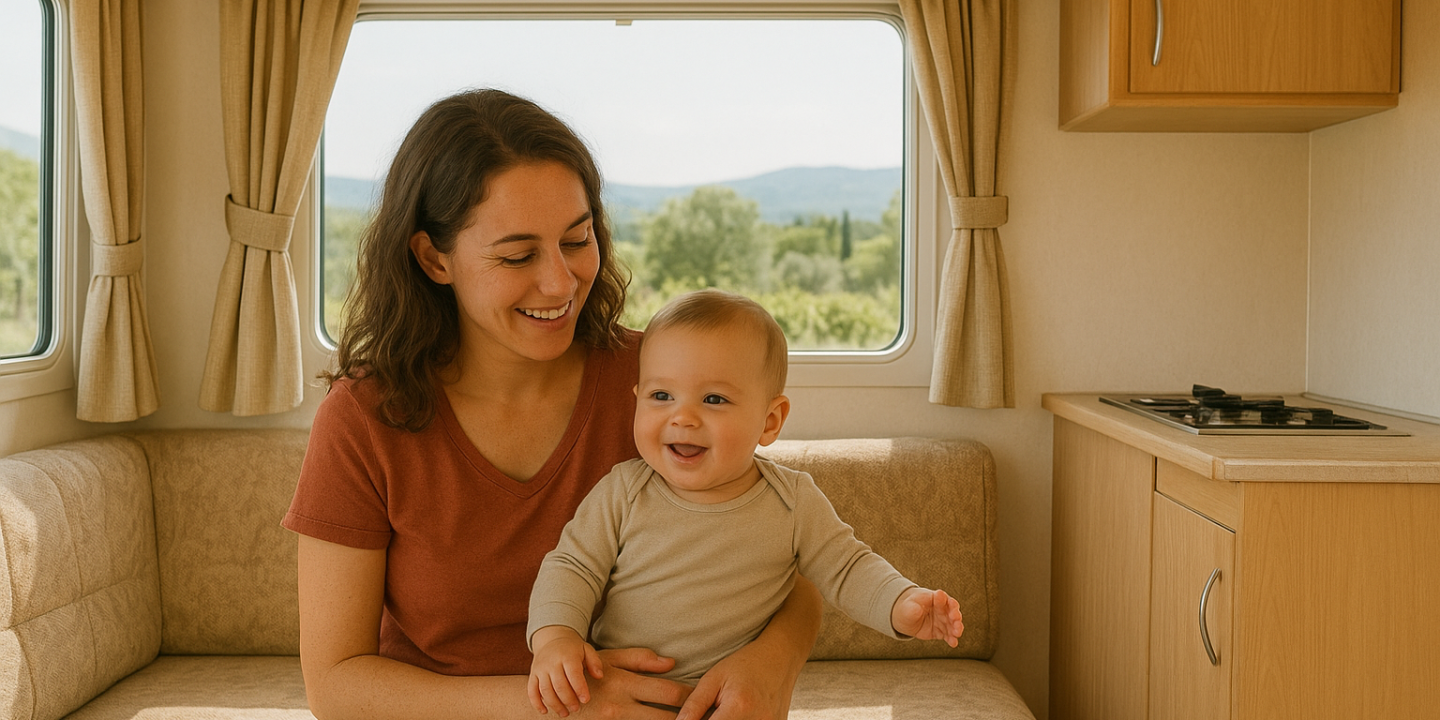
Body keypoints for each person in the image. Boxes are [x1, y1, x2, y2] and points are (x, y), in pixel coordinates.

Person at [282, 89, 823, 720]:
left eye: (577, 240)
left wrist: (771, 662)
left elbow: (791, 550)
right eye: (517, 256)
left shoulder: (662, 388)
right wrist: (558, 706)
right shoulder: (363, 418)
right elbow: (335, 686)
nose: (561, 283)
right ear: (434, 258)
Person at [525, 290, 966, 717]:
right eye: (662, 396)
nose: (683, 416)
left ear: (770, 421)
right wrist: (555, 637)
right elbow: (572, 568)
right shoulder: (622, 490)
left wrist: (902, 604)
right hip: (622, 700)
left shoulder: (793, 502)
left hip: (735, 706)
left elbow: (848, 567)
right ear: (637, 398)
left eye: (713, 399)